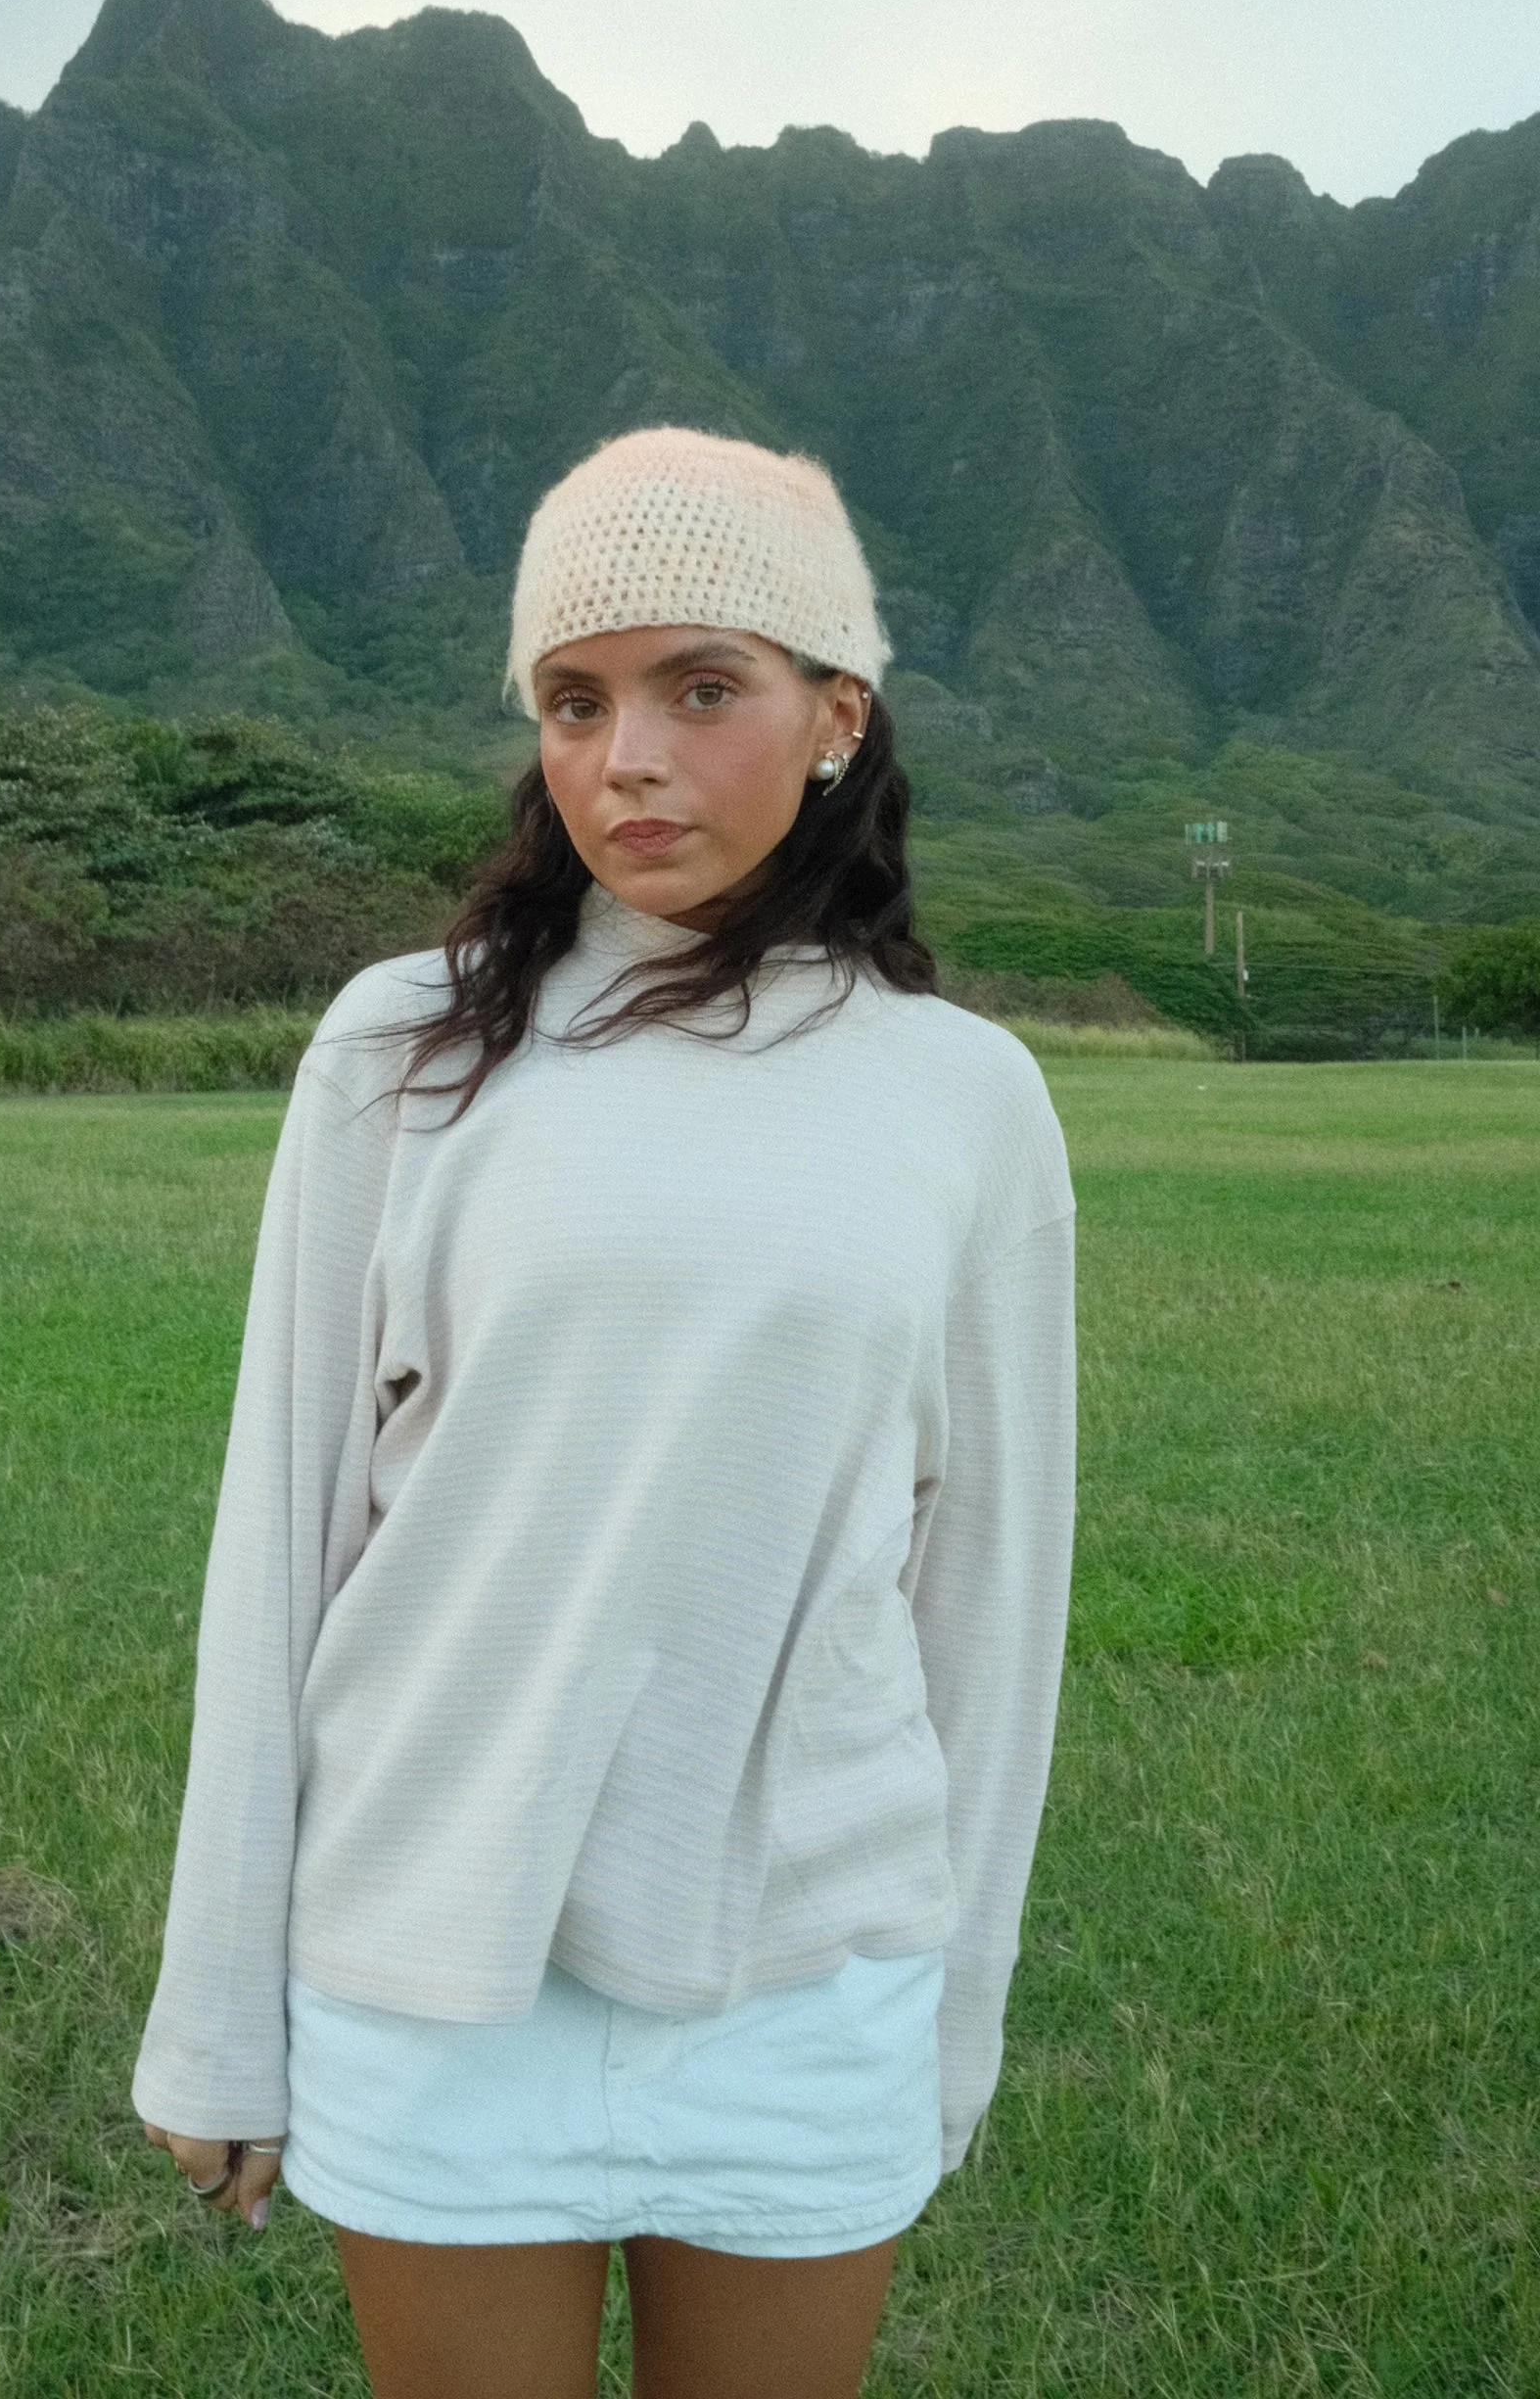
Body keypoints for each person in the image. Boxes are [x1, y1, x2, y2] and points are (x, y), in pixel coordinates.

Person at [134, 427, 1075, 2399]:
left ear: (836, 717)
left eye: (698, 688)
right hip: (434, 1968)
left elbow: (990, 1594)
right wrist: (219, 2012)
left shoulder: (962, 1095)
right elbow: (282, 1535)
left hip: (810, 1980)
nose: (624, 757)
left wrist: (951, 2015)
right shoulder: (404, 1047)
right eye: (576, 700)